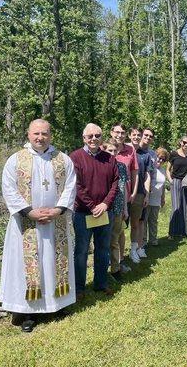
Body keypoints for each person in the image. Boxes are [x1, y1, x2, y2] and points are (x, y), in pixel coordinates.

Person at [0, 119, 77, 332]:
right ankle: (27, 312)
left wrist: (58, 210)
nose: (40, 138)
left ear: (51, 135)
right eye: (36, 134)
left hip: (55, 224)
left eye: (44, 134)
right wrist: (29, 212)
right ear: (28, 134)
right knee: (27, 266)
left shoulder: (63, 160)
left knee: (54, 262)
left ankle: (57, 304)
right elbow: (9, 189)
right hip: (25, 225)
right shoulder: (16, 160)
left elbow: (71, 186)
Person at [70, 123, 118, 300]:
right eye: (90, 136)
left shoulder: (109, 158)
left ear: (101, 137)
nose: (93, 139)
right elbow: (77, 186)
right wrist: (92, 206)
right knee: (81, 251)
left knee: (103, 249)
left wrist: (105, 204)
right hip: (84, 213)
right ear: (84, 138)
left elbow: (115, 183)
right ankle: (79, 288)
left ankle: (101, 283)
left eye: (97, 136)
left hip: (105, 212)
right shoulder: (75, 157)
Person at [110, 123, 138, 273]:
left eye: (122, 133)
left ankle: (119, 261)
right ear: (111, 132)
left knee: (119, 232)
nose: (119, 135)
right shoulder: (104, 148)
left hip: (122, 197)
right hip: (104, 201)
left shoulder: (130, 150)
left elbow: (134, 172)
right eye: (117, 132)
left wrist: (133, 192)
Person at [102, 139, 130, 281]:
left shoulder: (121, 167)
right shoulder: (99, 164)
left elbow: (124, 188)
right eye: (109, 150)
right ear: (104, 150)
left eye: (115, 150)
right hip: (102, 208)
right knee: (101, 240)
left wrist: (125, 208)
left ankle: (115, 269)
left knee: (114, 239)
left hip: (118, 207)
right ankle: (101, 268)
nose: (112, 153)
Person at [128, 127, 152, 262]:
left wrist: (147, 194)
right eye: (134, 135)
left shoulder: (145, 155)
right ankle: (115, 256)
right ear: (130, 136)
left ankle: (133, 249)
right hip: (124, 193)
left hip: (140, 194)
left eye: (139, 135)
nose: (136, 137)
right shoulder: (124, 151)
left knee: (135, 223)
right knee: (118, 227)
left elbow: (147, 175)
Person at [167, 136, 187, 239]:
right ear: (180, 142)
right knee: (176, 207)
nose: (186, 145)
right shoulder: (173, 154)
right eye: (184, 142)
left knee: (185, 206)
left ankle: (184, 231)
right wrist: (171, 181)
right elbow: (168, 169)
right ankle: (172, 232)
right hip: (176, 181)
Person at [144, 147, 169, 246]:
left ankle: (153, 239)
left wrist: (162, 198)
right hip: (147, 197)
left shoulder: (162, 170)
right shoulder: (150, 168)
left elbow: (162, 186)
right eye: (159, 157)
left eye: (163, 159)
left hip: (157, 199)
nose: (160, 160)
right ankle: (143, 240)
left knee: (154, 220)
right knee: (144, 220)